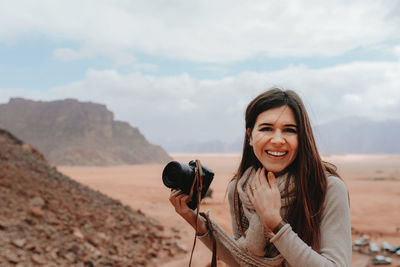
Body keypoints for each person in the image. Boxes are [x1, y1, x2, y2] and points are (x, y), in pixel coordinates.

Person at [169, 88, 352, 267]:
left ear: (301, 137)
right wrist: (196, 222)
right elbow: (243, 261)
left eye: (289, 130)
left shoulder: (327, 188)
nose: (278, 140)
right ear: (250, 136)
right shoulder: (240, 189)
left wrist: (275, 222)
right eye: (266, 128)